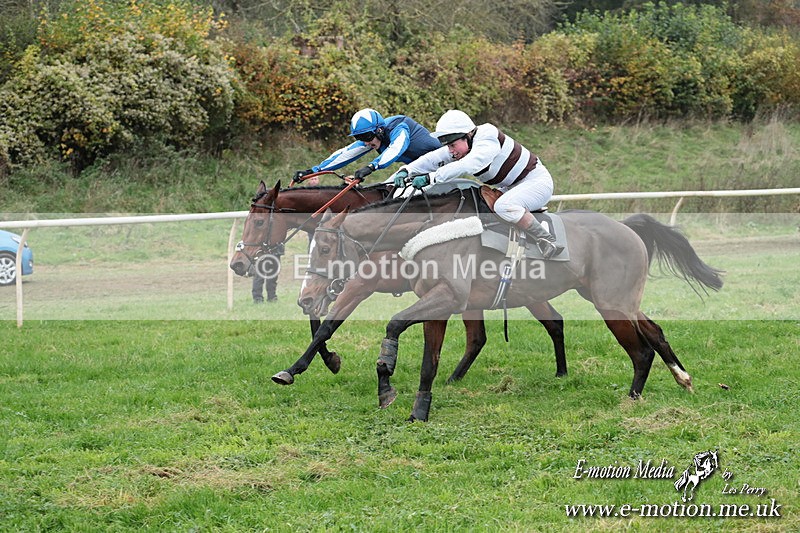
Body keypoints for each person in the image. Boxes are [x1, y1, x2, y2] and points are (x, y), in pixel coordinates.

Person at [390, 109, 563, 259]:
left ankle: (547, 240)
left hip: (536, 182)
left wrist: (431, 178)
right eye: (448, 146)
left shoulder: (487, 138)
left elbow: (468, 164)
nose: (451, 151)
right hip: (512, 187)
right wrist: (406, 170)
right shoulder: (464, 144)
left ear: (468, 136)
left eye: (452, 145)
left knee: (504, 206)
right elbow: (433, 158)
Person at [293, 108, 441, 184]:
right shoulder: (373, 136)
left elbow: (395, 149)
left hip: (443, 162)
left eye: (366, 137)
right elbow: (346, 153)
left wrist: (371, 166)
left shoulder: (399, 127)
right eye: (359, 138)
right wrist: (313, 171)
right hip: (419, 168)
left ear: (379, 130)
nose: (364, 142)